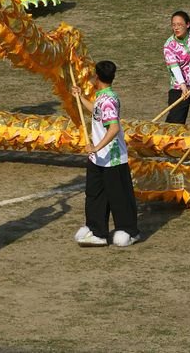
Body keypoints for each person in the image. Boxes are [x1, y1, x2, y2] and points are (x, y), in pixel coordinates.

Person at [73, 61, 140, 247]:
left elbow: (113, 128)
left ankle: (129, 230)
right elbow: (96, 111)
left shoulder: (109, 100)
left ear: (97, 77)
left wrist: (96, 147)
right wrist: (80, 98)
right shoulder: (102, 97)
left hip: (113, 158)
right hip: (98, 159)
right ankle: (97, 231)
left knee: (119, 197)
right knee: (94, 194)